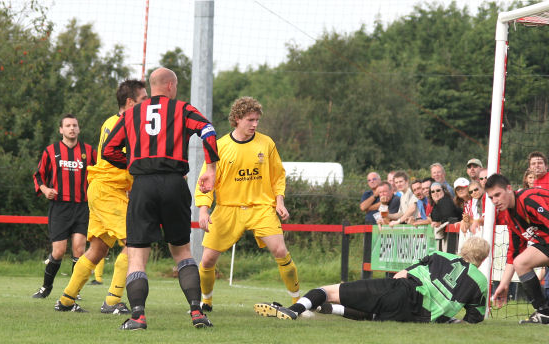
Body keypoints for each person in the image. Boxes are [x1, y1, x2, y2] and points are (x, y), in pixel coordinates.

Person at [102, 67, 219, 330]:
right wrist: (210, 168)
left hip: (142, 185)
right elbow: (208, 130)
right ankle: (196, 313)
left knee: (136, 256)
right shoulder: (182, 109)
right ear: (170, 86)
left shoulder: (131, 114)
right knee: (182, 252)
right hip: (175, 183)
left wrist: (133, 163)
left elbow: (108, 149)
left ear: (152, 86)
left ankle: (138, 317)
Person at [195, 96, 299, 312]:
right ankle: (207, 301)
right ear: (237, 119)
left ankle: (298, 303)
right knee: (206, 261)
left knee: (280, 250)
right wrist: (204, 210)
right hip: (228, 209)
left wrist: (279, 200)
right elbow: (206, 182)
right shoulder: (220, 146)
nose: (254, 124)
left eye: (257, 120)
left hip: (261, 208)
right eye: (250, 120)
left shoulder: (266, 143)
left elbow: (278, 176)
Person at [53, 79, 147, 313]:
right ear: (130, 102)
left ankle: (66, 300)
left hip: (100, 188)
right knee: (134, 243)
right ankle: (113, 301)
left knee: (98, 249)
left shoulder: (112, 121)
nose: (147, 104)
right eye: (143, 100)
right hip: (108, 191)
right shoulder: (128, 124)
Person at [255, 236, 490, 324]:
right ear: (482, 258)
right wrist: (447, 318)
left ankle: (294, 310)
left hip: (405, 290)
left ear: (463, 249)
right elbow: (473, 319)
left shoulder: (441, 255)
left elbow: (403, 274)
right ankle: (325, 308)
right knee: (375, 316)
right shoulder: (480, 283)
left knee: (327, 289)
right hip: (420, 318)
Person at [32, 114, 96, 299]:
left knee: (79, 249)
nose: (72, 128)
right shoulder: (51, 151)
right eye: (68, 125)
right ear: (61, 129)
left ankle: (74, 291)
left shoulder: (89, 151)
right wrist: (45, 190)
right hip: (59, 207)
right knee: (59, 251)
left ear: (79, 128)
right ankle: (46, 287)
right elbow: (38, 176)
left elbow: (100, 173)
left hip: (82, 206)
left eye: (75, 125)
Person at [485, 173, 549, 324]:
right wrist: (504, 284)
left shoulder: (529, 200)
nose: (495, 201)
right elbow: (514, 253)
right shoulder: (509, 216)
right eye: (491, 198)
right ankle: (544, 312)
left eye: (497, 195)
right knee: (520, 262)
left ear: (509, 188)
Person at [429, 182, 462, 252]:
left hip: (454, 236)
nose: (435, 193)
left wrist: (440, 223)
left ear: (443, 191)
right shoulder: (436, 204)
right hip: (448, 237)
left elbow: (449, 216)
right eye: (432, 192)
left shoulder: (445, 201)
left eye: (438, 190)